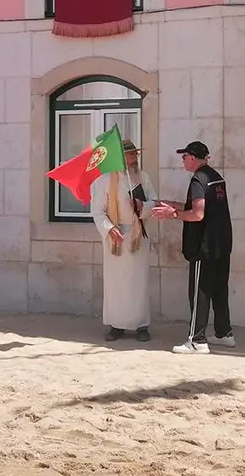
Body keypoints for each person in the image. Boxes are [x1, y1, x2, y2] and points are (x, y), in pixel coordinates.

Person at [153, 141, 233, 354]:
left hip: (204, 246)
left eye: (185, 156)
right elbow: (200, 206)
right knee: (218, 289)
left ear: (194, 158)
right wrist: (169, 204)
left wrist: (173, 214)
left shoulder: (198, 179)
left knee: (200, 292)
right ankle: (224, 333)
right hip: (222, 244)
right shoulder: (216, 177)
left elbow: (198, 214)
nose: (182, 160)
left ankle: (197, 340)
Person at [90, 139, 158, 342]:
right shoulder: (103, 181)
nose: (135, 157)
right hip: (115, 238)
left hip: (138, 236)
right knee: (115, 283)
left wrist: (142, 204)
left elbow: (154, 202)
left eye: (136, 154)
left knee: (139, 282)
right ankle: (116, 325)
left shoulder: (142, 178)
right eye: (131, 154)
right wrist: (110, 229)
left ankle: (141, 325)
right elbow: (98, 212)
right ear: (120, 156)